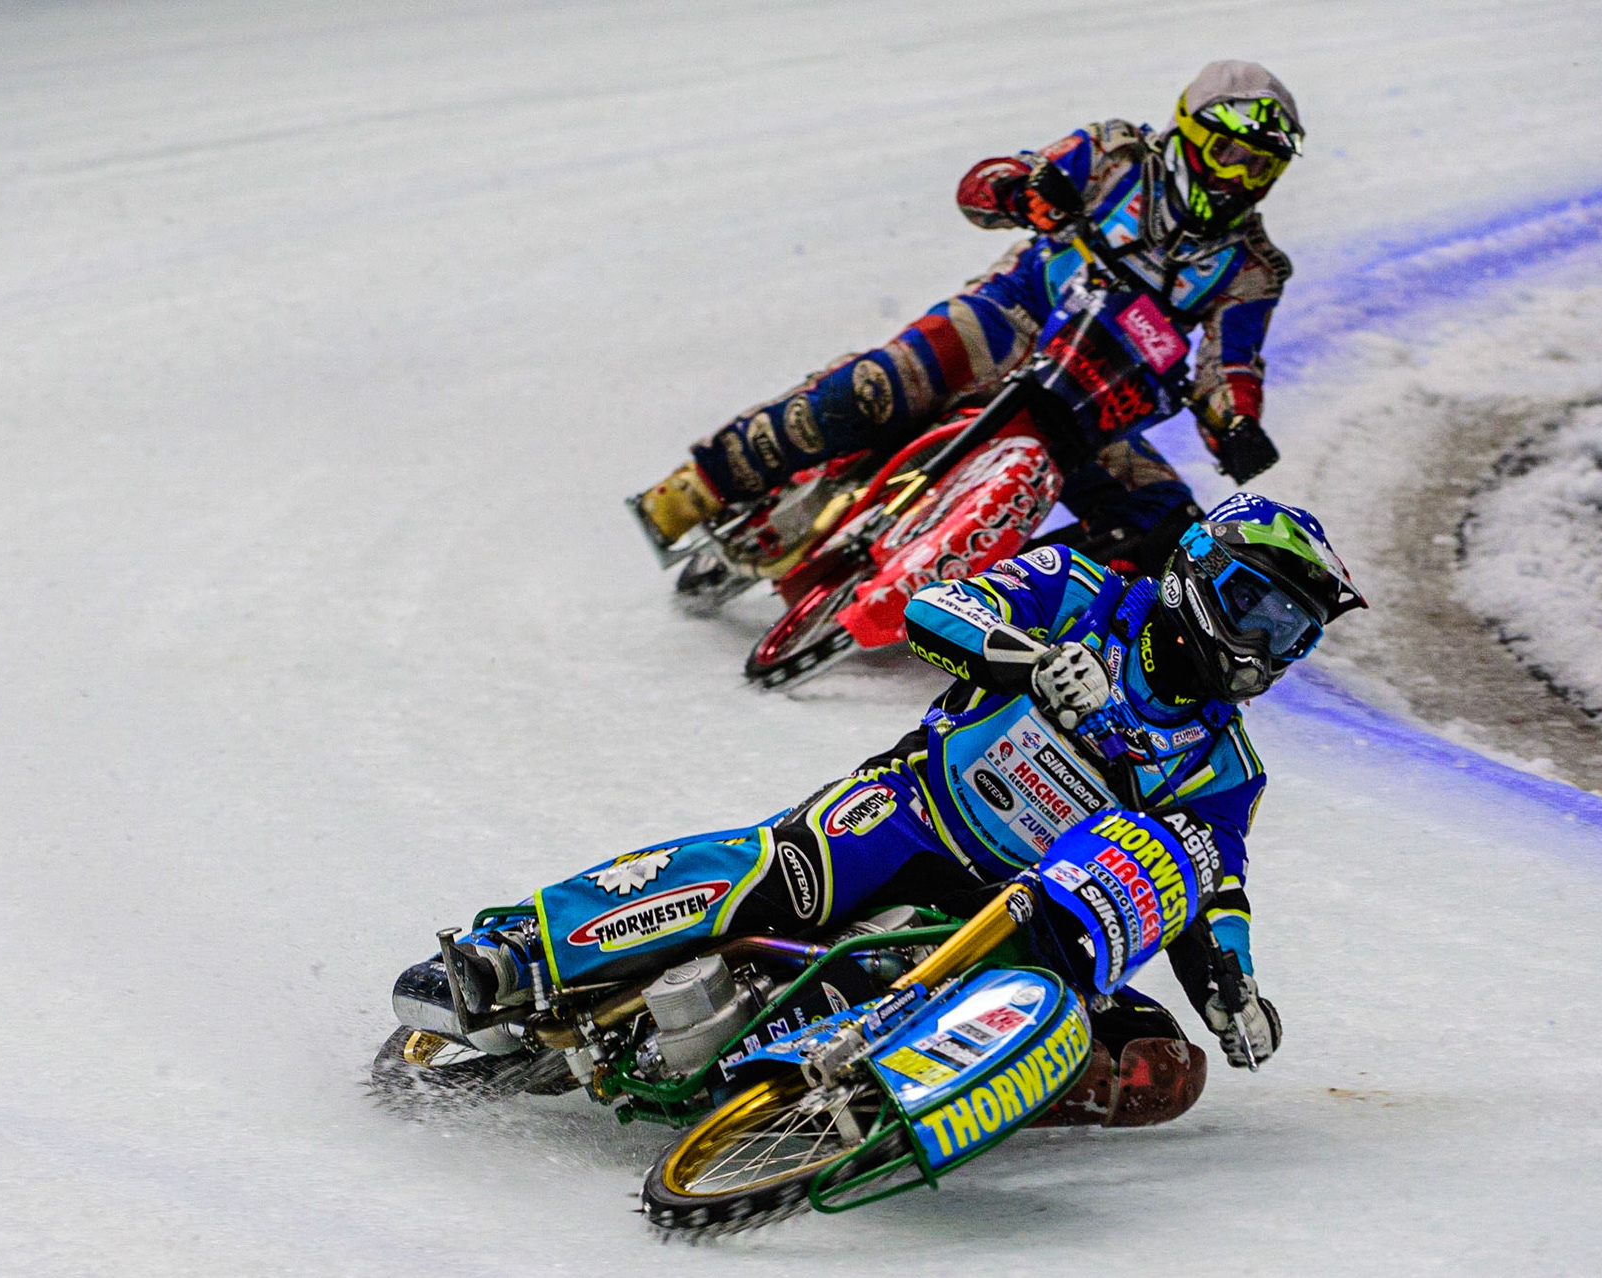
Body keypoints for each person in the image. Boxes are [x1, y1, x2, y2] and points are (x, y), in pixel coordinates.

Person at [438, 495, 1364, 1124]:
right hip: (917, 811)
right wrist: (1026, 663)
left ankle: (875, 1101)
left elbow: (1213, 884)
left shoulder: (1226, 766)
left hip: (1025, 916)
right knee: (784, 875)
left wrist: (1227, 988)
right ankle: (522, 952)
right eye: (1258, 610)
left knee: (1156, 1066)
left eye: (1293, 631)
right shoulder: (1081, 589)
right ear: (1197, 570)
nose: (1266, 647)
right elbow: (937, 608)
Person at [632, 60, 1305, 579]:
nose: (1241, 179)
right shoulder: (1117, 154)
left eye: (1263, 167)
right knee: (875, 387)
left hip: (1093, 399)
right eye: (1230, 156)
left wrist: (1236, 421)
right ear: (1190, 134)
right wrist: (1023, 190)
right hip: (1005, 321)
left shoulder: (1254, 267)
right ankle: (702, 486)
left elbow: (1231, 364)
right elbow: (985, 185)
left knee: (1169, 527)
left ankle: (1026, 606)